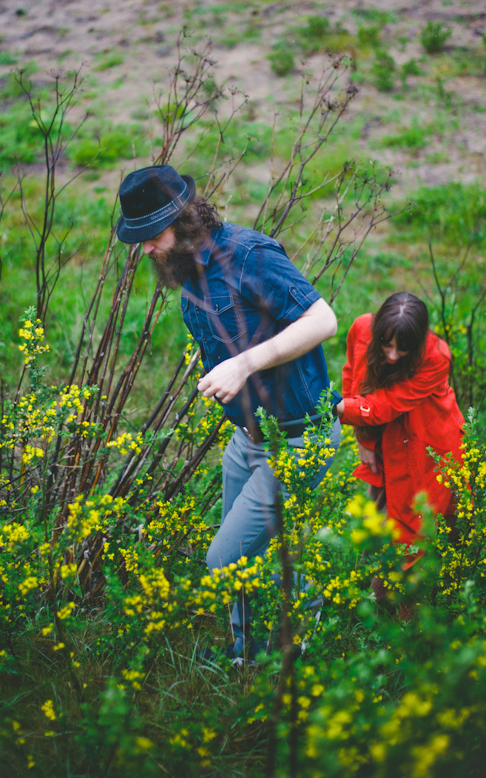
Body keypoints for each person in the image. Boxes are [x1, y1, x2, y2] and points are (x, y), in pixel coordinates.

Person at [116, 164, 341, 662]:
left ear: (183, 219)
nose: (144, 249)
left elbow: (323, 319)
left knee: (224, 559)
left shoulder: (249, 255)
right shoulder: (187, 267)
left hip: (297, 439)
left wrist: (245, 361)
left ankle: (298, 639)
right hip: (248, 440)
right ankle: (247, 656)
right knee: (253, 552)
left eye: (150, 235)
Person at [336, 292, 464, 590]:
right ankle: (373, 592)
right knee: (381, 508)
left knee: (420, 523)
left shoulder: (435, 356)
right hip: (385, 437)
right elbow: (351, 376)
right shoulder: (361, 329)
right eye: (386, 344)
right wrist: (363, 439)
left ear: (418, 342)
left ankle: (414, 603)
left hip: (428, 445)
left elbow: (386, 405)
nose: (392, 355)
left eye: (403, 349)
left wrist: (341, 410)